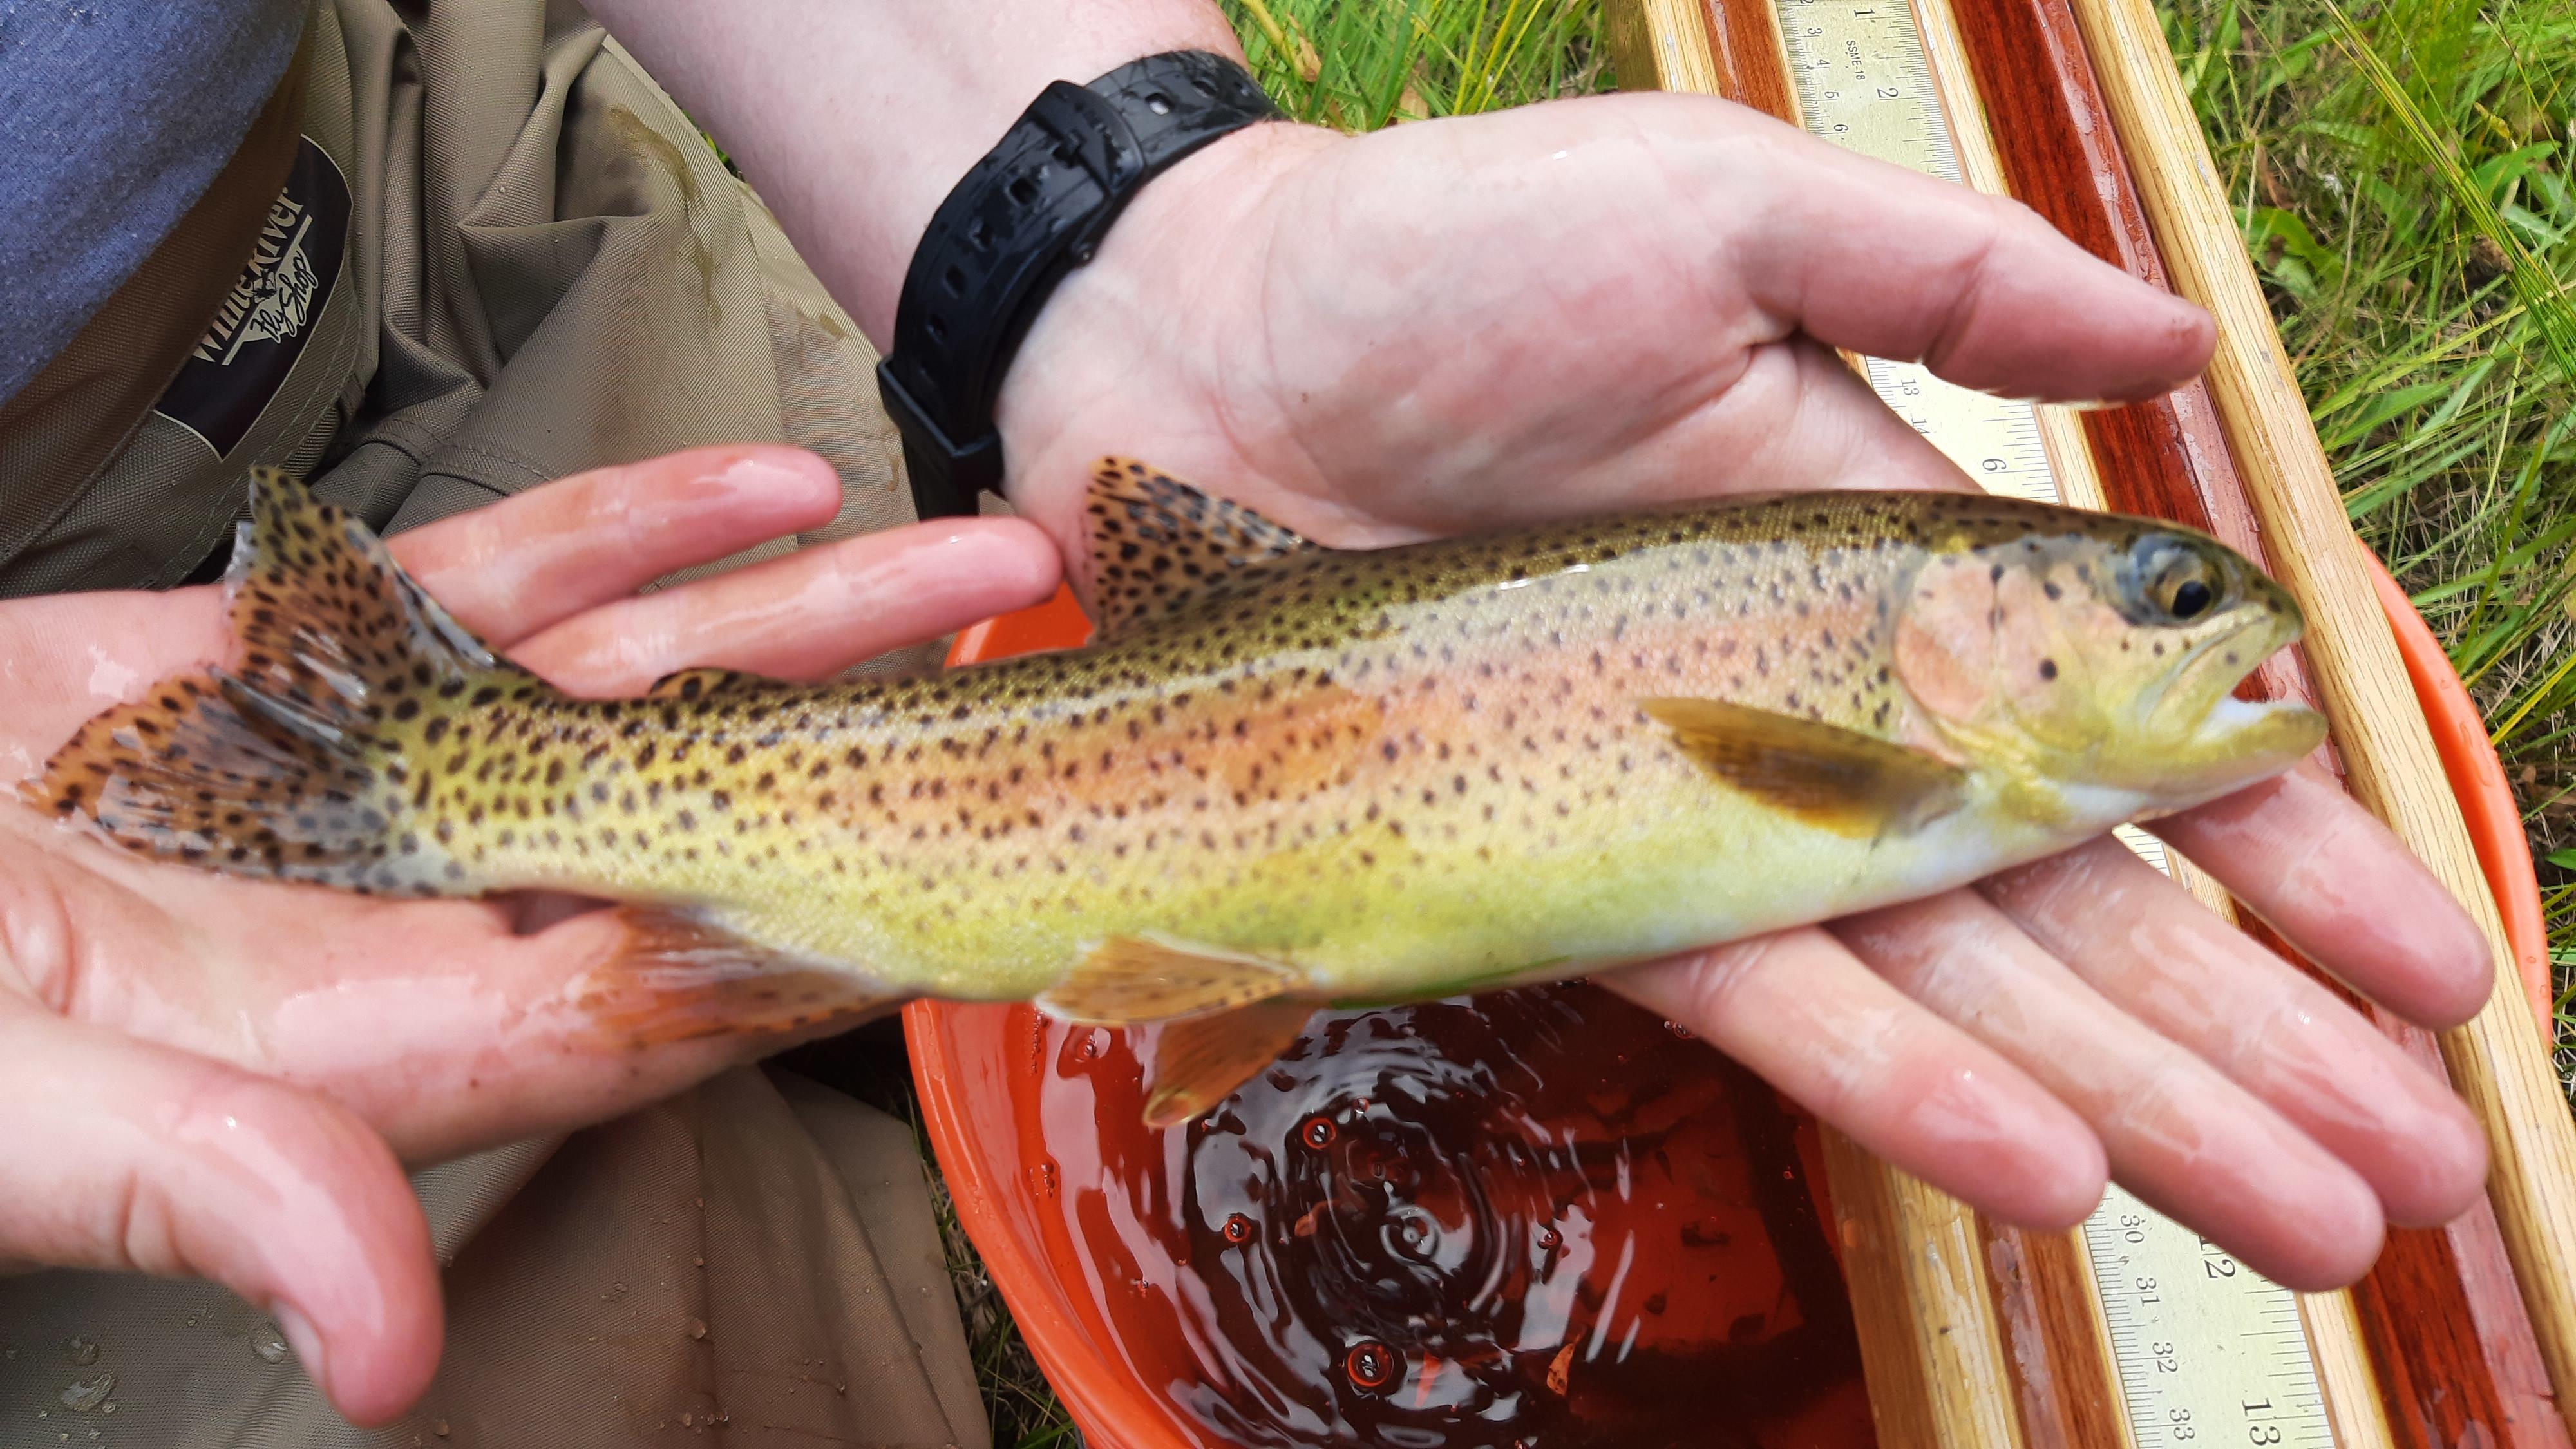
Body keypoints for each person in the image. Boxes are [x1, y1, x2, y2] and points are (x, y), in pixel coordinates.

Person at [0, 0, 2496, 1439]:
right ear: (1974, 639)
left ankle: (549, 842)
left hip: (384, 138)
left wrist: (1097, 222)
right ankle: (467, 807)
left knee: (844, 685)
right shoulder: (1886, 757)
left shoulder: (1896, 722)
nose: (2204, 626)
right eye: (2158, 596)